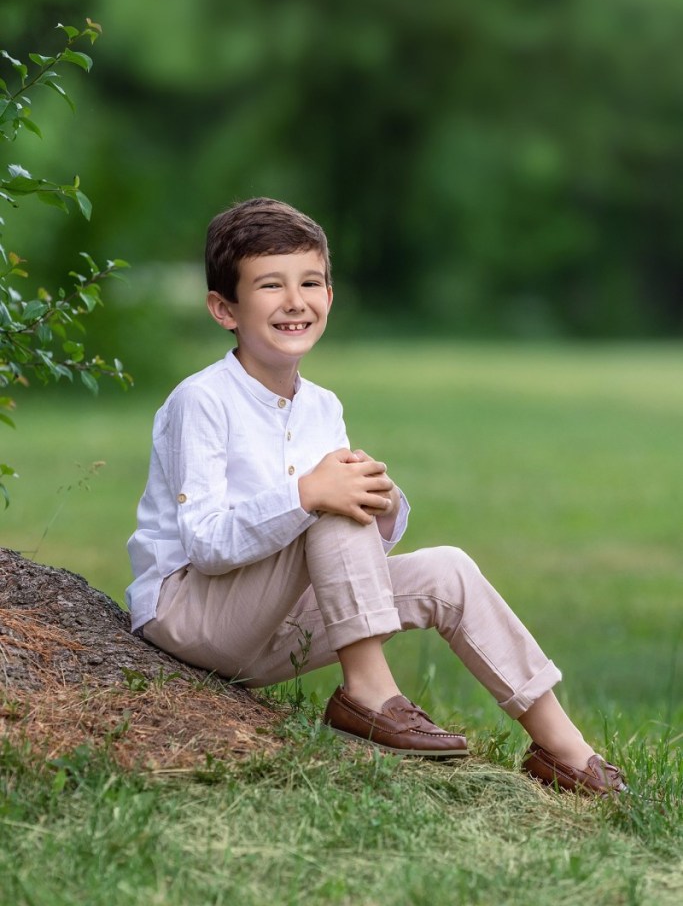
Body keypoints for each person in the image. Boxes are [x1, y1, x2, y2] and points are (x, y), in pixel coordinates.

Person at [127, 197, 626, 795]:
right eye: (269, 286)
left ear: (329, 298)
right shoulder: (202, 400)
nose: (295, 301)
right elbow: (206, 544)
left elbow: (351, 549)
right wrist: (310, 494)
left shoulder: (322, 405)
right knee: (326, 498)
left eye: (311, 282)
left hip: (271, 632)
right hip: (192, 617)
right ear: (223, 309)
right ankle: (369, 693)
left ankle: (565, 755)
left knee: (448, 571)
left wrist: (380, 501)